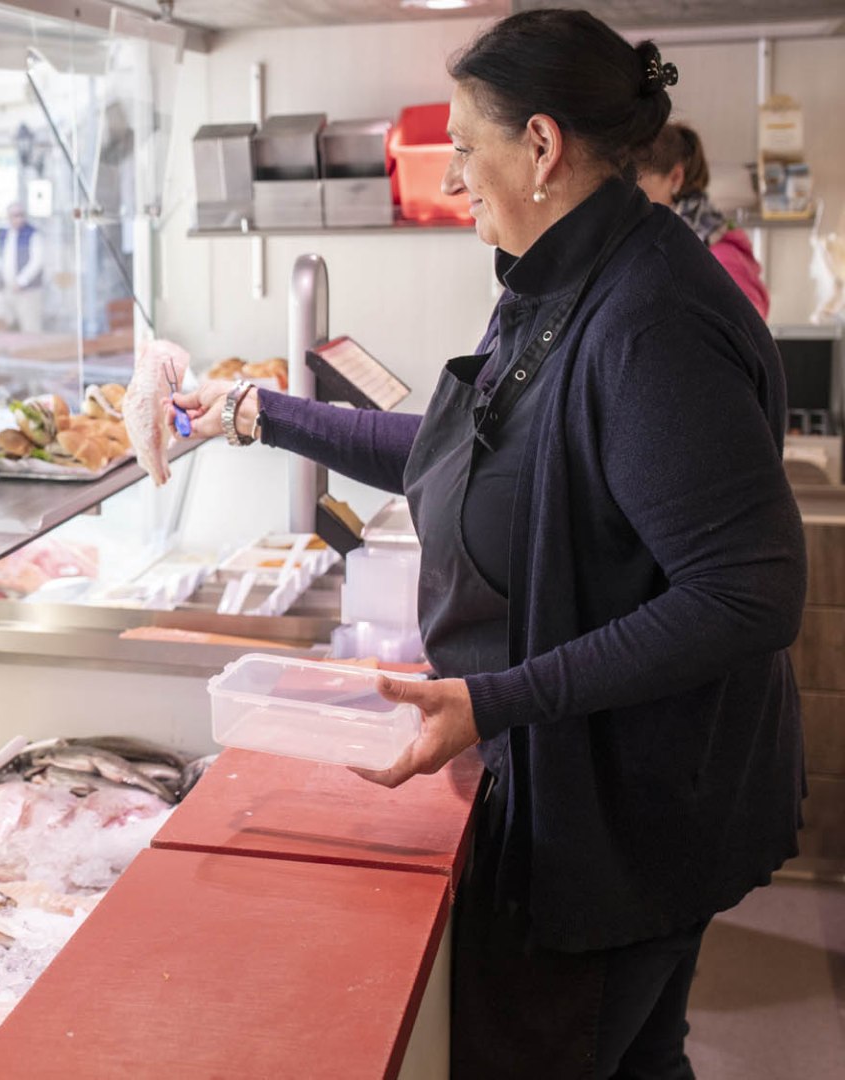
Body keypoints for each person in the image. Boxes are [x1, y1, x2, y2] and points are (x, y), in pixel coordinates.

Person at [168, 12, 801, 1077]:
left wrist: (493, 699)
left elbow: (747, 595)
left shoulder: (649, 319)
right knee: (641, 1060)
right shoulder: (558, 279)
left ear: (542, 147)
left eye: (465, 146)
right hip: (598, 791)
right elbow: (462, 451)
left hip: (623, 813)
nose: (453, 175)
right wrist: (258, 413)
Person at [636, 122, 770, 320]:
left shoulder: (721, 256)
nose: (630, 198)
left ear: (675, 178)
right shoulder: (665, 242)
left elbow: (747, 335)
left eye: (639, 186)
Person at [0, 203, 45, 333]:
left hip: (27, 290)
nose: (18, 218)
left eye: (21, 215)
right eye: (15, 215)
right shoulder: (5, 234)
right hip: (6, 288)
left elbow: (37, 261)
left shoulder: (33, 234)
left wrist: (22, 281)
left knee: (30, 327)